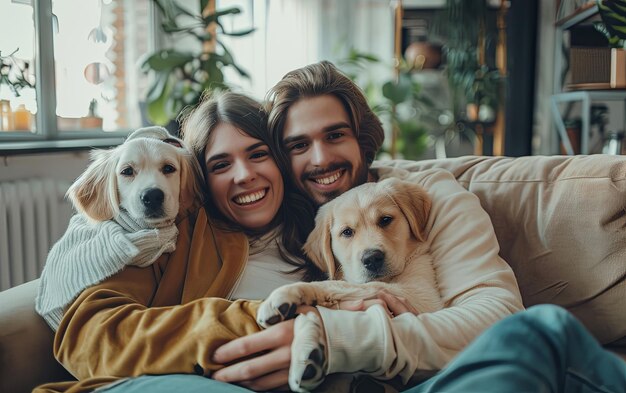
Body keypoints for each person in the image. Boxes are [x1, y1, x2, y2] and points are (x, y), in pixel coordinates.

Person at [208, 61, 626, 393]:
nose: (320, 159)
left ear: (363, 140)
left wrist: (348, 340)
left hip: (443, 376)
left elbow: (496, 316)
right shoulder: (270, 212)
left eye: (335, 135)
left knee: (543, 332)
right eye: (299, 145)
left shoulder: (429, 193)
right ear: (282, 159)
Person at [33, 91, 326, 393]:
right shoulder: (161, 236)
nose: (244, 175)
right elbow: (92, 339)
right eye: (221, 165)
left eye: (258, 154)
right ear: (200, 180)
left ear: (282, 159)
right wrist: (255, 320)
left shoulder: (326, 226)